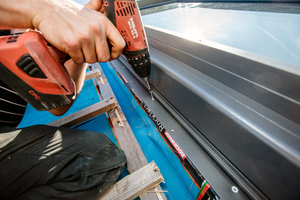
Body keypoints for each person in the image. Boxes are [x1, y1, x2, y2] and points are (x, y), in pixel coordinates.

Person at [0, 0, 127, 199]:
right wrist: (44, 9)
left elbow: (58, 105)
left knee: (98, 156)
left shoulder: (26, 33)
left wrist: (81, 50)